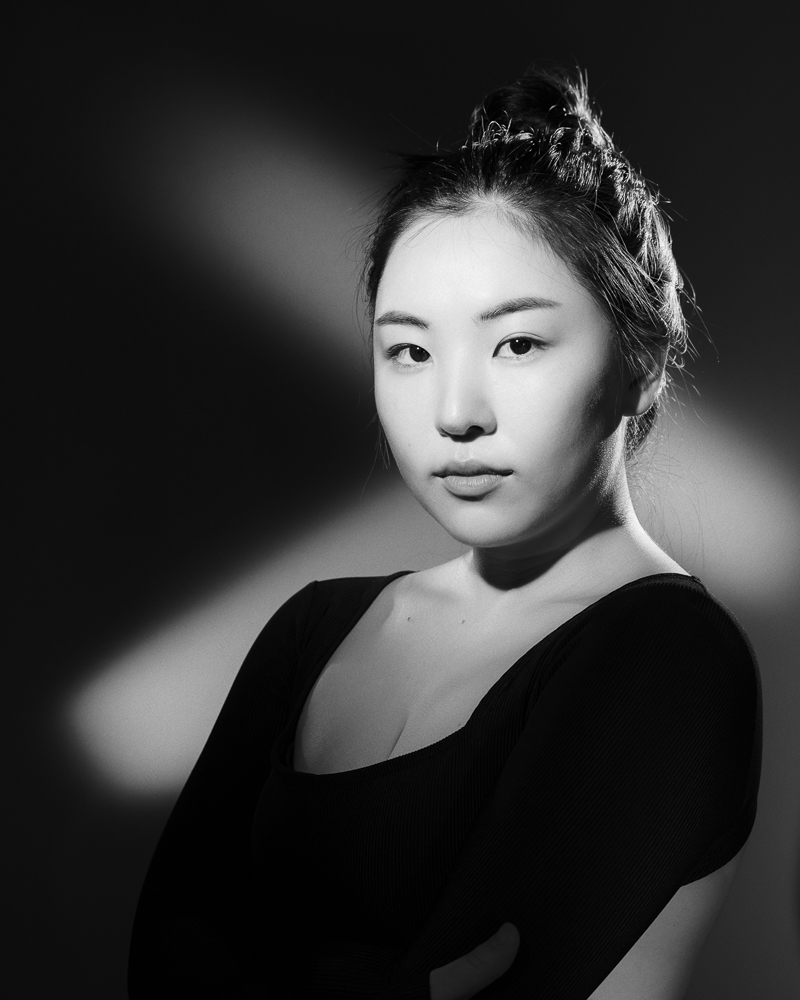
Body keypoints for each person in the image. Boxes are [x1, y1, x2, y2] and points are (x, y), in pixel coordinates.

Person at [128, 66, 762, 999]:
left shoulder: (670, 655)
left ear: (640, 363)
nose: (455, 412)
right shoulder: (316, 629)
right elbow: (160, 952)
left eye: (518, 343)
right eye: (411, 351)